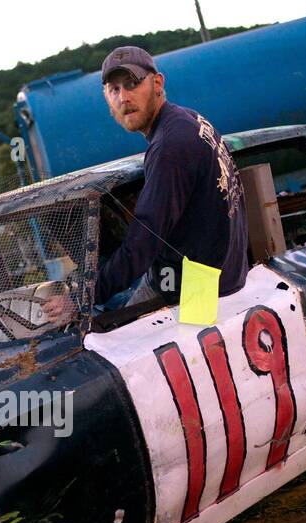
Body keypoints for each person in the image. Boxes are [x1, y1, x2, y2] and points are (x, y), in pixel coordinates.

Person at [42, 45, 249, 323]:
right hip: (222, 277)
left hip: (193, 294)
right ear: (106, 98)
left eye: (132, 84)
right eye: (114, 90)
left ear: (157, 83)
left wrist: (78, 300)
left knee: (109, 341)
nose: (124, 97)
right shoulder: (188, 119)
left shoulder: (169, 146)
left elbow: (142, 245)